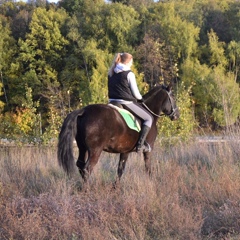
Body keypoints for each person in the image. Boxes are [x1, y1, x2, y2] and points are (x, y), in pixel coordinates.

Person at [108, 52, 153, 152]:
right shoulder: (129, 74)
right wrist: (141, 98)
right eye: (131, 62)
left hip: (111, 102)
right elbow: (136, 94)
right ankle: (140, 145)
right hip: (125, 102)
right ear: (128, 62)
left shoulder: (111, 72)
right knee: (149, 118)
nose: (132, 64)